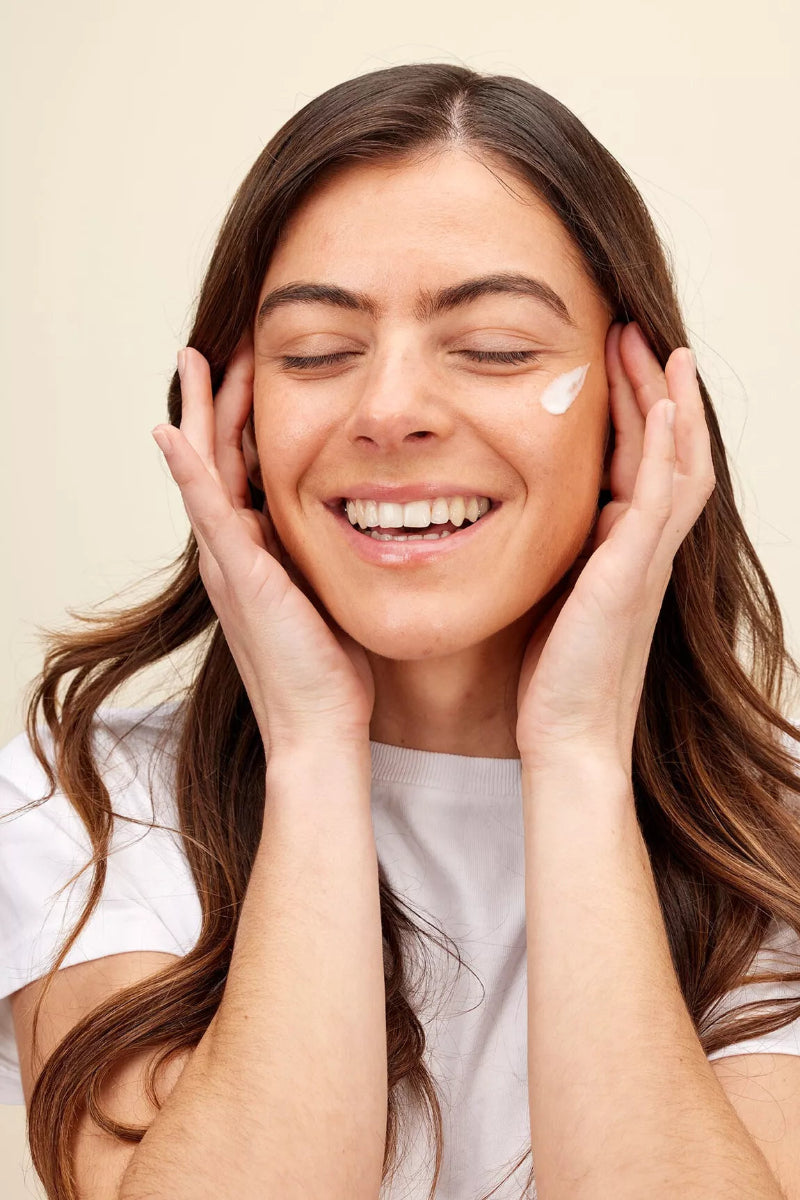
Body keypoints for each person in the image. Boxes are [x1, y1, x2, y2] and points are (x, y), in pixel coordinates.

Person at [2, 61, 800, 1200]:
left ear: (637, 420)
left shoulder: (773, 851)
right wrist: (316, 745)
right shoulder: (82, 807)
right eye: (317, 355)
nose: (387, 413)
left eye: (492, 348)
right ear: (234, 423)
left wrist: (574, 756)